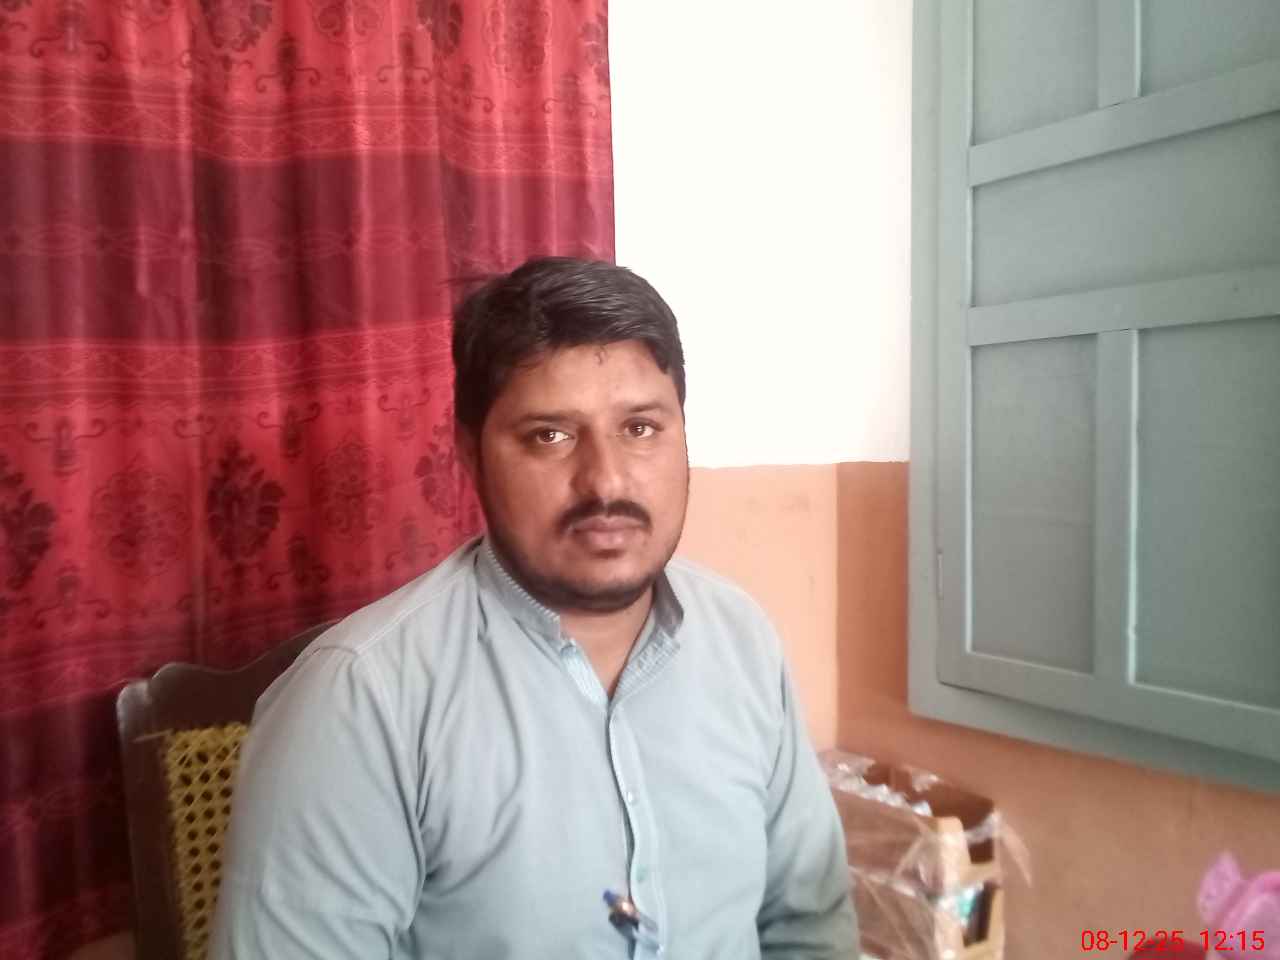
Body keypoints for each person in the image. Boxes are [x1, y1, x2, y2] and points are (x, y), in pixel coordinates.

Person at [209, 257, 858, 959]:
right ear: (469, 454)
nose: (605, 481)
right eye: (550, 435)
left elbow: (810, 925)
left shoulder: (741, 639)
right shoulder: (360, 699)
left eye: (640, 428)